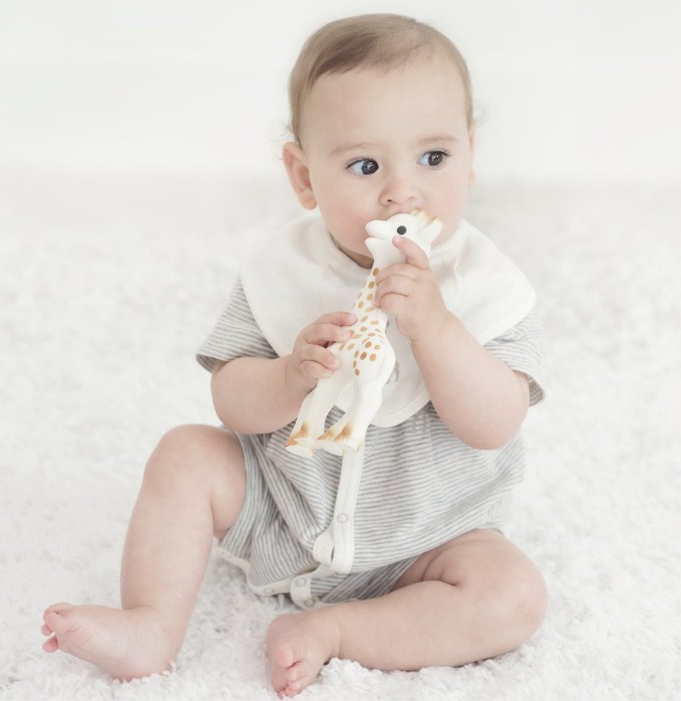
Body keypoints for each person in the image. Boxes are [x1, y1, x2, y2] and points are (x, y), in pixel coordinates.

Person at [41, 13, 548, 698]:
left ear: (471, 152)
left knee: (514, 594)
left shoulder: (488, 287)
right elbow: (231, 401)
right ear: (304, 177)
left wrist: (437, 330)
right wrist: (286, 376)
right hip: (281, 507)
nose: (403, 191)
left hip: (426, 543)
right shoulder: (282, 274)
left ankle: (339, 630)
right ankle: (150, 624)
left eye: (433, 157)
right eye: (365, 165)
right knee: (185, 452)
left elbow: (494, 423)